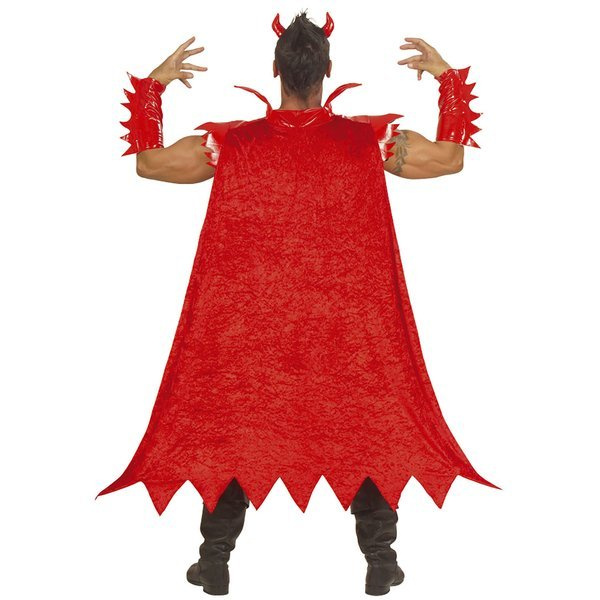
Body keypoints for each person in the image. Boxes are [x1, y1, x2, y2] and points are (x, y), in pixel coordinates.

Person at [96, 10, 499, 596]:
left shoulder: (228, 144)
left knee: (235, 429)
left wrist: (153, 90)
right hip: (346, 333)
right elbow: (449, 158)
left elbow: (150, 164)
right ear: (328, 70)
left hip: (256, 334)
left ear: (275, 69)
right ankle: (380, 560)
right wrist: (449, 82)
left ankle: (214, 561)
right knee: (367, 426)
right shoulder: (370, 139)